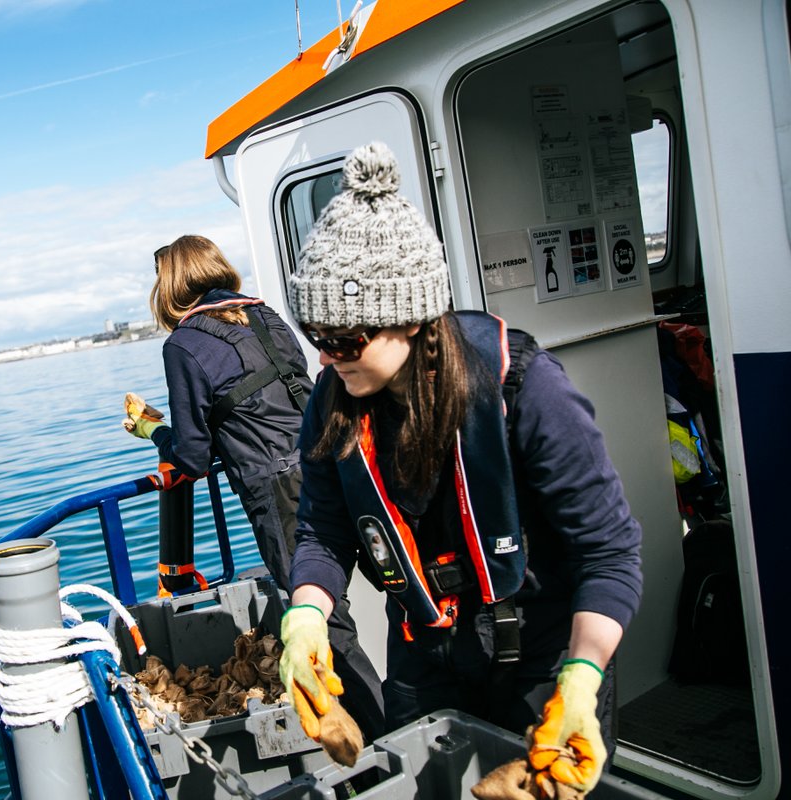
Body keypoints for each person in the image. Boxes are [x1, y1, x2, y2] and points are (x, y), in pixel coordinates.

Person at [276, 143, 643, 794]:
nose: (329, 357)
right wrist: (305, 618)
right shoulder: (334, 407)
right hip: (424, 652)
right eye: (316, 338)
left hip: (541, 653)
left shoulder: (526, 390)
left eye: (346, 339)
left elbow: (609, 554)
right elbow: (322, 535)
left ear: (410, 317)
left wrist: (582, 678)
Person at [121, 234, 386, 741]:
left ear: (170, 286)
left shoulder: (182, 345)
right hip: (340, 461)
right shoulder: (264, 314)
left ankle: (380, 742)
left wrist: (152, 429)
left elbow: (193, 456)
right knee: (402, 586)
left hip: (283, 493)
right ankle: (427, 706)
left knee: (327, 626)